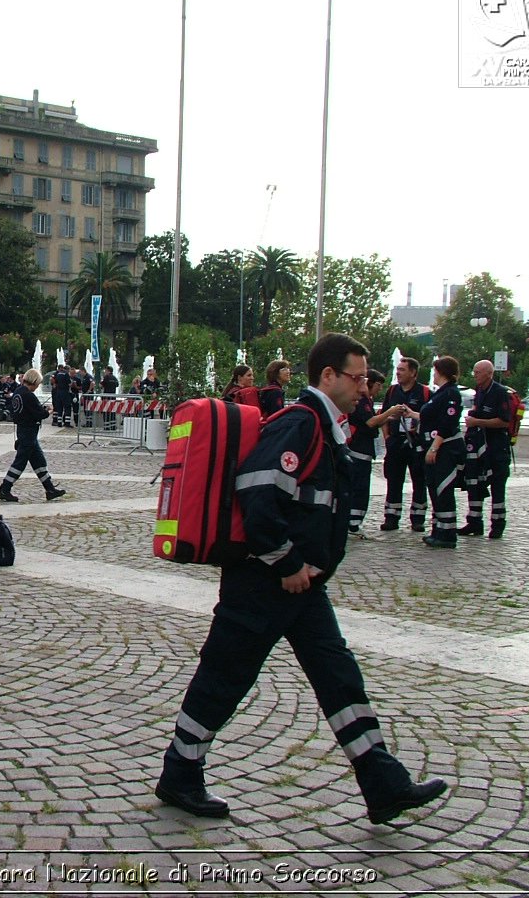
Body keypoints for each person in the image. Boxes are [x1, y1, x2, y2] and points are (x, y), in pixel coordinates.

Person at [155, 333, 447, 826]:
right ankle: (180, 770)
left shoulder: (326, 426)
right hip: (265, 581)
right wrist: (287, 563)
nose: (365, 389)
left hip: (302, 586)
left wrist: (301, 570)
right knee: (226, 676)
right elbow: (257, 493)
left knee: (337, 675)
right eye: (356, 378)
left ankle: (382, 781)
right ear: (328, 376)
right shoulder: (300, 422)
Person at [412, 356, 465, 549]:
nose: (433, 374)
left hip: (446, 449)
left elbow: (447, 423)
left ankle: (448, 534)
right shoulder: (440, 393)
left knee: (443, 489)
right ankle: (438, 530)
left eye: (435, 371)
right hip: (434, 446)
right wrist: (411, 414)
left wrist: (434, 447)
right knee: (434, 489)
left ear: (442, 372)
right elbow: (430, 416)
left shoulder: (451, 393)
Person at [461, 359, 513, 540]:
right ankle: (474, 522)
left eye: (478, 372)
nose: (474, 375)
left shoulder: (499, 392)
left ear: (489, 373)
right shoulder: (480, 391)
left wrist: (478, 422)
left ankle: (497, 525)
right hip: (479, 446)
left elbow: (504, 421)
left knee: (498, 486)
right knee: (475, 483)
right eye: (474, 372)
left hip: (497, 448)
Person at [379, 357, 432, 533]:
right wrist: (387, 437)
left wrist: (413, 415)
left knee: (419, 480)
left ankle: (418, 518)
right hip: (395, 442)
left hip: (416, 443)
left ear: (413, 373)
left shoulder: (424, 393)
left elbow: (430, 418)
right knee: (393, 480)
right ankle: (391, 517)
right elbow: (384, 414)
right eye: (398, 369)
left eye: (402, 370)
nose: (398, 372)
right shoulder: (393, 391)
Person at [0, 368, 66, 503]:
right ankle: (5, 489)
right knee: (20, 463)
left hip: (23, 431)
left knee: (39, 461)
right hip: (28, 432)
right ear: (34, 382)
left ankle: (50, 489)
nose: (38, 387)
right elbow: (39, 413)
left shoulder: (18, 392)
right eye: (38, 384)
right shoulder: (28, 395)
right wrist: (49, 411)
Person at [347, 369, 387, 536]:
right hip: (358, 450)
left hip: (363, 450)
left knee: (361, 487)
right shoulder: (362, 400)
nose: (379, 389)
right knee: (359, 487)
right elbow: (369, 422)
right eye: (378, 384)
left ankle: (354, 521)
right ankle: (353, 523)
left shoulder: (367, 400)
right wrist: (390, 412)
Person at [100, 365, 120, 431]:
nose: (105, 372)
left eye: (105, 371)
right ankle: (113, 426)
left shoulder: (106, 377)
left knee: (106, 412)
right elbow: (117, 385)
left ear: (108, 371)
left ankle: (107, 426)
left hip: (106, 397)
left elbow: (101, 385)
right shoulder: (114, 378)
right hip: (113, 397)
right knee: (112, 412)